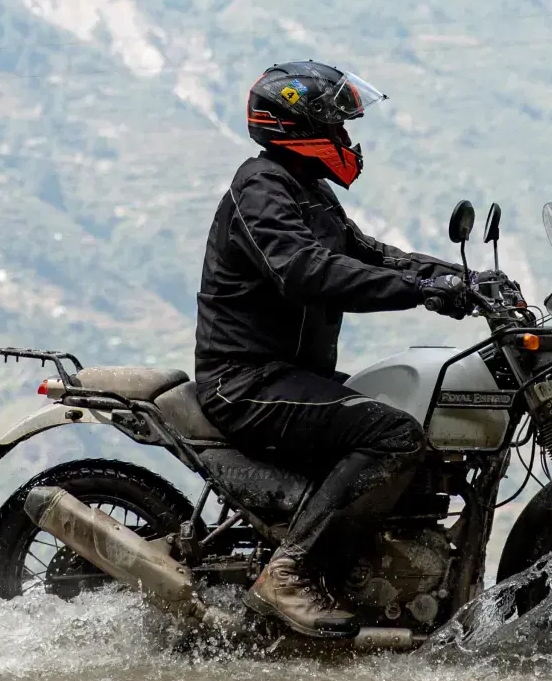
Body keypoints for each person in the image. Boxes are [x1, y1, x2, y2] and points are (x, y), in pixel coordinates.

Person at [194, 61, 475, 636]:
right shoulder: (260, 188)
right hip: (248, 382)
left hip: (290, 374)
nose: (348, 139)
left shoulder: (308, 190)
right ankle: (289, 574)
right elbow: (305, 270)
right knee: (393, 435)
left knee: (403, 415)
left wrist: (462, 278)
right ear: (302, 126)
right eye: (339, 125)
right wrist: (420, 292)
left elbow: (369, 253)